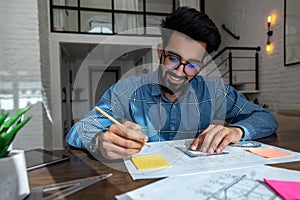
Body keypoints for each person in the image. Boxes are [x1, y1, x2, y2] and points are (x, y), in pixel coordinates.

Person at [66, 7, 278, 160]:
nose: (179, 72)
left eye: (192, 65)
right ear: (160, 52)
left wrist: (237, 131)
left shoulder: (215, 92)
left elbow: (266, 118)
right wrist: (99, 142)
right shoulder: (127, 90)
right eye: (173, 59)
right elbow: (77, 131)